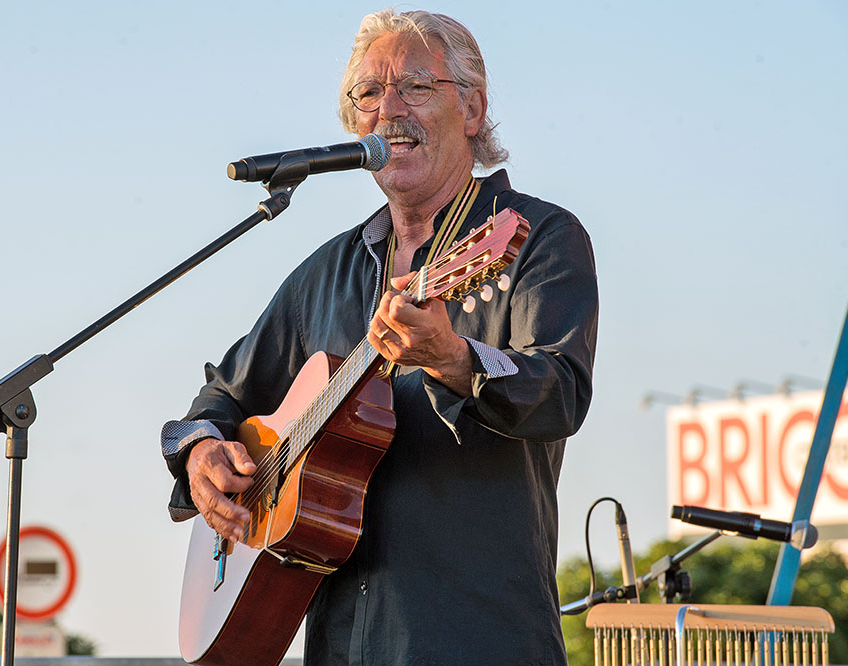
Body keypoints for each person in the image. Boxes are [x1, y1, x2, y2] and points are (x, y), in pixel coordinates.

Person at [161, 9, 598, 665]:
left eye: (416, 86)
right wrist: (201, 452)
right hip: (341, 645)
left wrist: (454, 358)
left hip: (480, 638)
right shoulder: (325, 274)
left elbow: (561, 393)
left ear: (473, 110)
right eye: (368, 93)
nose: (389, 109)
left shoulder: (538, 236)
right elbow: (221, 397)